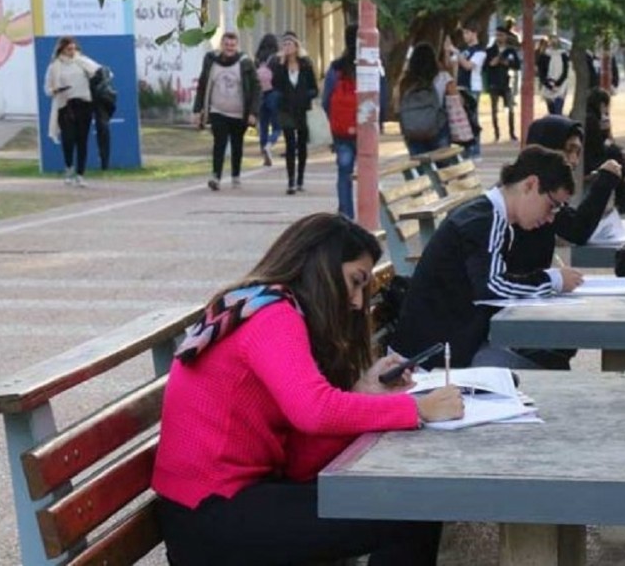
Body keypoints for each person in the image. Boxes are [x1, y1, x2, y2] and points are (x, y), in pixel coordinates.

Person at [152, 213, 463, 565]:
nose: (359, 302)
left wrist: (363, 395)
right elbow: (315, 410)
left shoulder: (259, 304)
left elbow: (300, 460)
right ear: (322, 266)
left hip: (222, 505)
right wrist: (416, 409)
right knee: (410, 512)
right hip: (212, 514)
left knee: (407, 504)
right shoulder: (273, 317)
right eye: (355, 281)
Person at [391, 146, 583, 370]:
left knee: (553, 353)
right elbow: (491, 287)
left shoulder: (489, 215)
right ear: (530, 184)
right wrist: (553, 280)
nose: (551, 218)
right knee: (548, 375)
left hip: (449, 348)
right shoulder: (485, 221)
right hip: (431, 362)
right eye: (552, 206)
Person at [505, 115, 622, 369]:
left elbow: (574, 226)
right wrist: (605, 181)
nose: (573, 160)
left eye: (577, 152)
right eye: (568, 150)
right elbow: (578, 229)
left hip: (530, 297)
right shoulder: (527, 196)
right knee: (560, 337)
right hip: (514, 308)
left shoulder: (539, 193)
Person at [193, 31, 261, 191]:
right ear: (221, 45)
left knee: (237, 144)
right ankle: (216, 176)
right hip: (218, 111)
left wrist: (253, 112)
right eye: (226, 44)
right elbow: (202, 85)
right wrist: (198, 109)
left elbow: (256, 88)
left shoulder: (245, 63)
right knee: (219, 143)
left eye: (232, 45)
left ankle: (236, 176)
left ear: (236, 46)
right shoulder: (211, 61)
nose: (229, 48)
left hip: (239, 113)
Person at [44, 36, 101, 187]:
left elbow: (98, 73)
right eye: (69, 49)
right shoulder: (55, 66)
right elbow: (47, 89)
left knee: (82, 140)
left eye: (74, 48)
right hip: (65, 105)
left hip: (84, 104)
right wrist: (55, 90)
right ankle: (69, 168)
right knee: (68, 139)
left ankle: (80, 174)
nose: (72, 52)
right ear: (61, 49)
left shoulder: (82, 62)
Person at [270, 31, 318, 195]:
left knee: (302, 144)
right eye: (284, 45)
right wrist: (280, 63)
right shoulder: (279, 66)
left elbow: (314, 88)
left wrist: (306, 95)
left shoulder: (305, 64)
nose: (287, 47)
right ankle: (290, 181)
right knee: (290, 144)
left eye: (290, 44)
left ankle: (300, 179)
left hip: (302, 109)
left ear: (297, 47)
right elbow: (275, 85)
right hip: (286, 109)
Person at [322, 24, 359, 217]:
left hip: (342, 131)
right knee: (368, 173)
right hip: (365, 129)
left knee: (344, 172)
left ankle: (346, 214)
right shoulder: (372, 64)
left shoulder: (336, 68)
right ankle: (369, 213)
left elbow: (326, 100)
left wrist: (335, 121)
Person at [398, 42, 454, 156]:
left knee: (420, 167)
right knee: (443, 166)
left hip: (412, 130)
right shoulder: (443, 78)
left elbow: (398, 105)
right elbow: (456, 102)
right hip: (438, 129)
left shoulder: (405, 82)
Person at [452, 23, 486, 159]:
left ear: (474, 33)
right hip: (460, 87)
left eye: (467, 33)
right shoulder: (464, 50)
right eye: (464, 33)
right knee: (463, 121)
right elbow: (453, 64)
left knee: (473, 119)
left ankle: (475, 151)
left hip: (473, 88)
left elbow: (468, 66)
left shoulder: (480, 51)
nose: (465, 36)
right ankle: (466, 149)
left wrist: (457, 53)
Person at [484, 26, 520, 142]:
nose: (500, 37)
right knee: (494, 110)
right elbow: (486, 67)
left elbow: (517, 65)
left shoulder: (510, 51)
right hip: (494, 83)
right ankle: (496, 134)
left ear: (506, 36)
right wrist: (492, 63)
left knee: (510, 109)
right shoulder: (490, 51)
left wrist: (508, 63)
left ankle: (512, 133)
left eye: (502, 35)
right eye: (498, 35)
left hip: (506, 83)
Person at [254, 33, 281, 167]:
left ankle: (263, 149)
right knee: (277, 126)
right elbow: (278, 78)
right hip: (273, 93)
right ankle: (269, 144)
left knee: (263, 125)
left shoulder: (257, 58)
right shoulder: (276, 58)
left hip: (260, 95)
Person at [537, 35, 569, 115]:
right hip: (548, 86)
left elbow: (565, 72)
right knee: (551, 111)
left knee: (558, 110)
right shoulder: (544, 56)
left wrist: (558, 84)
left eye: (556, 41)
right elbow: (542, 74)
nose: (554, 43)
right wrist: (549, 85)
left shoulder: (563, 55)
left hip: (561, 86)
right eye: (552, 41)